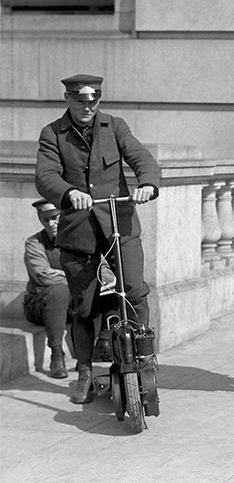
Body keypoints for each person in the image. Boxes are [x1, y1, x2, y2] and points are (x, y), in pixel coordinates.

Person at [35, 74, 159, 403]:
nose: (88, 106)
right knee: (84, 307)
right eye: (80, 100)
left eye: (94, 100)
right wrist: (68, 192)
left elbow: (142, 158)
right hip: (79, 229)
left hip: (119, 222)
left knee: (134, 289)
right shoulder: (52, 134)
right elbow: (45, 176)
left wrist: (146, 183)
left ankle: (144, 359)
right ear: (68, 99)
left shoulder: (115, 126)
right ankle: (85, 371)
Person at [23, 200, 116, 380]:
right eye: (46, 220)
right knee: (58, 291)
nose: (51, 224)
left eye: (55, 218)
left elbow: (105, 272)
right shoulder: (35, 243)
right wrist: (79, 277)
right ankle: (57, 354)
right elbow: (43, 275)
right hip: (41, 305)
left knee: (113, 291)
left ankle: (104, 342)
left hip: (73, 304)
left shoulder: (81, 241)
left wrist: (84, 278)